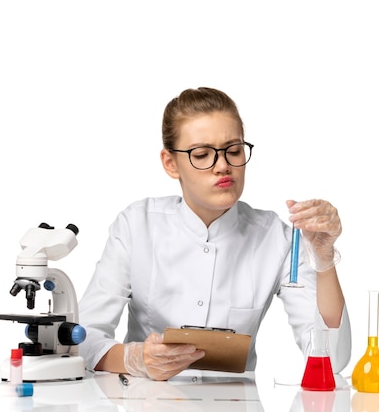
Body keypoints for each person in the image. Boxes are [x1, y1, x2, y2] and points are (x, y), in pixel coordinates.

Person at [78, 87, 351, 381]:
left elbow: (331, 361)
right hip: (148, 401)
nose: (223, 166)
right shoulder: (137, 226)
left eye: (233, 151)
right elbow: (80, 337)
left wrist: (323, 260)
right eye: (202, 154)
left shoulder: (276, 238)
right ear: (171, 163)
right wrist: (135, 359)